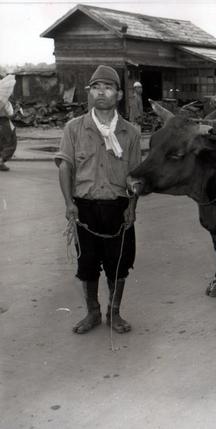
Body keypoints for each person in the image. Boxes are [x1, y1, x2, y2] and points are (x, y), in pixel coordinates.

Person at [55, 65, 142, 334]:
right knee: (87, 265)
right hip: (85, 208)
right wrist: (70, 205)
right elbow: (65, 167)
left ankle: (114, 314)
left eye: (107, 87)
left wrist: (131, 206)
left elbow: (135, 176)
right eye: (96, 87)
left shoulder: (131, 132)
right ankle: (92, 312)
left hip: (118, 208)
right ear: (89, 93)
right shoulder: (75, 128)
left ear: (118, 94)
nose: (101, 92)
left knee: (119, 265)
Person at [0, 99, 16, 172]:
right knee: (10, 143)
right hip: (4, 123)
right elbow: (10, 114)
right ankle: (1, 161)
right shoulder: (5, 101)